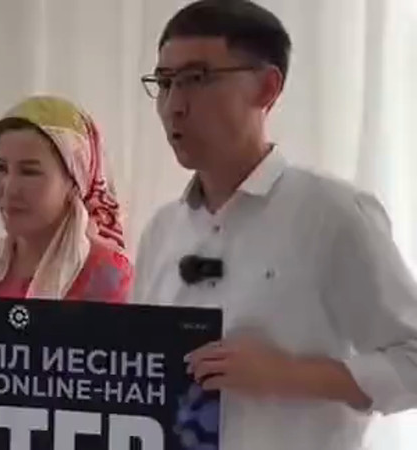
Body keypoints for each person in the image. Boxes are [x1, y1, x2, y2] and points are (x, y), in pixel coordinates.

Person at [132, 1, 417, 449]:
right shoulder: (162, 231)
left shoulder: (333, 214)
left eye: (196, 79)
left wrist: (288, 375)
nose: (173, 106)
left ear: (267, 88)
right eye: (164, 83)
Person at [0, 95, 133, 302]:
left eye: (29, 172)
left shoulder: (110, 281)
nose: (9, 189)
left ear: (74, 181)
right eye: (0, 167)